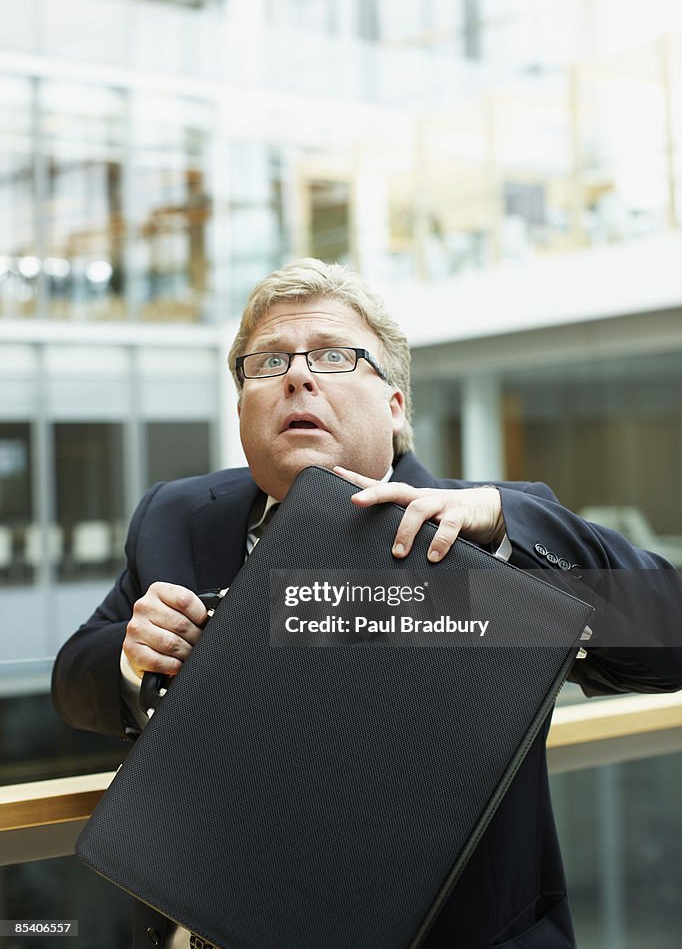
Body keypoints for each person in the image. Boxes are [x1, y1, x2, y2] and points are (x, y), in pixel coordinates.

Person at [52, 259, 682, 949]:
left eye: (332, 355)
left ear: (394, 404)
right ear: (240, 407)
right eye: (267, 362)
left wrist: (504, 529)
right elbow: (73, 680)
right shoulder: (177, 517)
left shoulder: (490, 532)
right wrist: (129, 655)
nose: (297, 375)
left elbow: (668, 637)